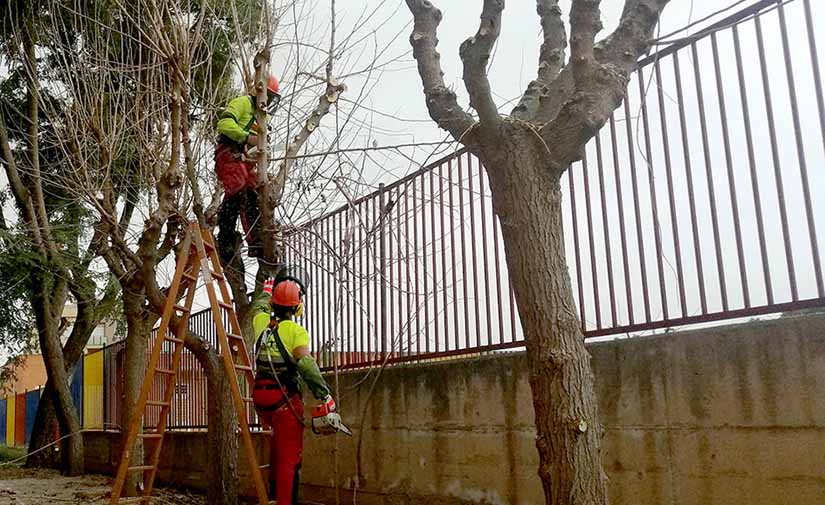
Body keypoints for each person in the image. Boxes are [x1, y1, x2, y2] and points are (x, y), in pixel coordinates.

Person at [250, 275, 335, 504]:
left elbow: (259, 305)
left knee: (278, 451)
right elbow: (306, 365)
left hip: (261, 400)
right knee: (290, 459)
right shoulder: (297, 332)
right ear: (297, 307)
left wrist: (267, 290)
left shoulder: (261, 323)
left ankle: (273, 494)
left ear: (273, 304)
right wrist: (324, 394)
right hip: (284, 402)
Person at [215, 75, 282, 261]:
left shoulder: (262, 118)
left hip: (245, 159)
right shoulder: (242, 103)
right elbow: (224, 124)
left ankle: (256, 240)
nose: (267, 101)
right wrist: (245, 137)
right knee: (238, 190)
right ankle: (225, 239)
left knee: (253, 194)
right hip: (229, 153)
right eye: (267, 95)